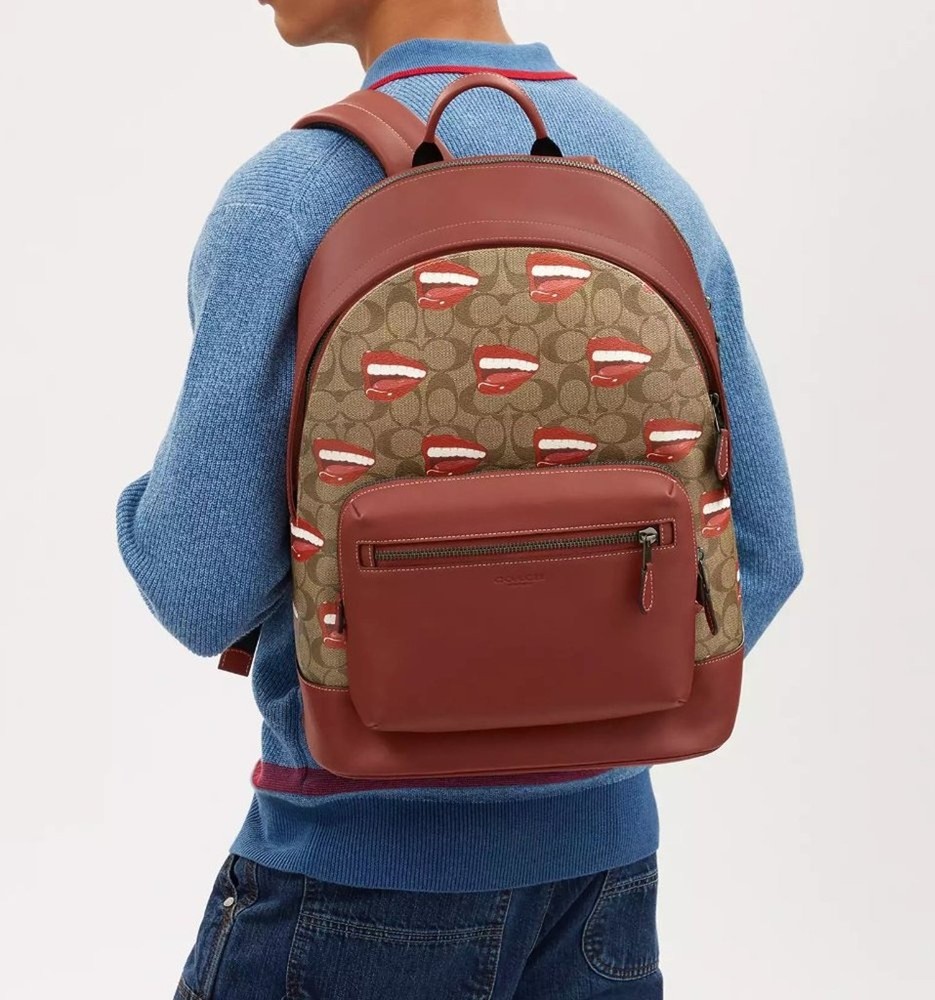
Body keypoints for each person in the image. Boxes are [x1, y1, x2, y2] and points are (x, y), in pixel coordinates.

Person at [116, 1, 803, 997]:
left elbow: (198, 584)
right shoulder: (642, 178)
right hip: (602, 890)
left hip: (348, 880)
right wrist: (568, 697)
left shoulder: (288, 197)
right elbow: (762, 554)